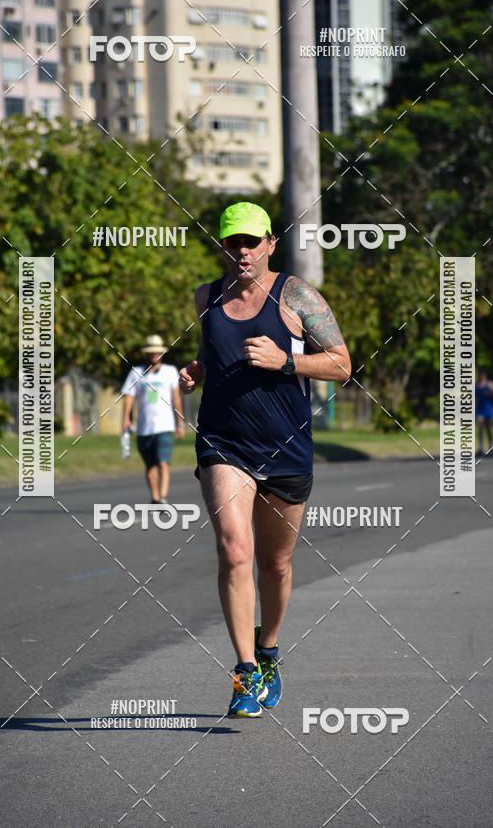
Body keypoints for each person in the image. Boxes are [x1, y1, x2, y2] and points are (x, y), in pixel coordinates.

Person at [179, 201, 351, 718]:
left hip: (286, 448)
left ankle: (269, 649)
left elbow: (342, 364)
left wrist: (287, 361)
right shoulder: (205, 297)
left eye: (253, 240)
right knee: (235, 551)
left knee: (275, 564)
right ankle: (245, 671)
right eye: (234, 241)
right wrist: (197, 371)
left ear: (271, 244)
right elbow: (214, 353)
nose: (243, 250)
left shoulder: (295, 295)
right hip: (223, 443)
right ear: (222, 246)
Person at [121, 334, 185, 503]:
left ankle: (162, 496)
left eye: (157, 352)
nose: (154, 355)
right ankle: (155, 497)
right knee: (150, 465)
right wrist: (126, 418)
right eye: (151, 352)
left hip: (164, 426)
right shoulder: (136, 373)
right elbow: (129, 396)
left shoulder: (170, 372)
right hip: (144, 427)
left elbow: (176, 398)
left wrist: (180, 423)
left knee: (163, 462)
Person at [475, 368, 493, 456]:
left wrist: (489, 393)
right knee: (480, 427)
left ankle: (491, 445)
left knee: (489, 429)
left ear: (485, 375)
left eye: (482, 374)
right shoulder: (476, 386)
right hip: (480, 410)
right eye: (480, 374)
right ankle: (481, 447)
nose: (481, 376)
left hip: (489, 409)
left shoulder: (490, 384)